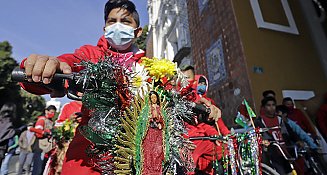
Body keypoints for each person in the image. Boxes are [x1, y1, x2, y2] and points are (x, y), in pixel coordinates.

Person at [19, 1, 145, 174]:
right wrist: (49, 67)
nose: (117, 26)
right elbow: (70, 62)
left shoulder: (150, 67)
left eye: (125, 21)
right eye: (111, 21)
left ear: (138, 31)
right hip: (88, 153)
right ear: (105, 29)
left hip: (139, 153)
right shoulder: (91, 54)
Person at [180, 65, 230, 174]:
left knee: (225, 150)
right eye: (183, 78)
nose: (186, 82)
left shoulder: (203, 101)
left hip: (203, 139)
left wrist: (218, 134)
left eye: (188, 78)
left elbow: (208, 123)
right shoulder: (179, 100)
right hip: (190, 141)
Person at [255, 97, 293, 175]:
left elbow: (285, 133)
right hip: (272, 152)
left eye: (273, 105)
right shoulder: (259, 121)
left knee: (290, 171)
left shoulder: (279, 119)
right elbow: (261, 136)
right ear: (264, 107)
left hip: (283, 150)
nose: (271, 107)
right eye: (268, 105)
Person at [28, 105, 56, 175]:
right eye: (51, 112)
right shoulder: (42, 120)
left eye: (54, 113)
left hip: (47, 148)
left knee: (43, 169)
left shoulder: (51, 122)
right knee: (37, 169)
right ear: (46, 111)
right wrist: (46, 132)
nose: (52, 114)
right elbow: (38, 133)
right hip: (40, 147)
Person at [142, 91, 165, 174]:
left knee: (158, 151)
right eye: (152, 98)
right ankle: (148, 171)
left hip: (158, 133)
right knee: (149, 151)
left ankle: (157, 170)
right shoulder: (147, 109)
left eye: (155, 97)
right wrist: (150, 118)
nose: (154, 99)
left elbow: (163, 120)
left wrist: (161, 124)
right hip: (150, 132)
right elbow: (144, 120)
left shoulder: (160, 108)